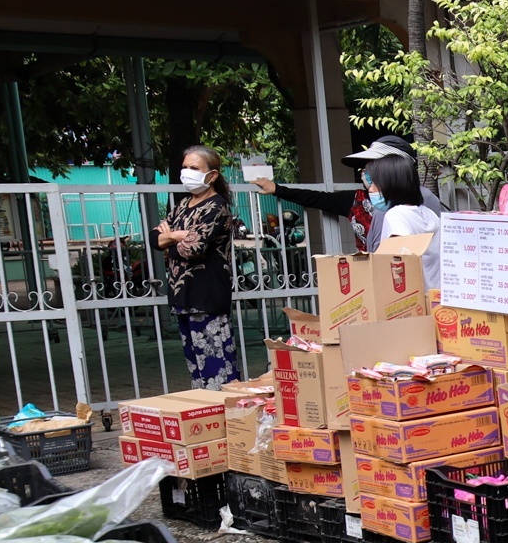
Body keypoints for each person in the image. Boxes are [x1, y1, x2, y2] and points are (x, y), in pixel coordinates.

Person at [256, 135, 443, 254]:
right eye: (367, 168)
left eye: (374, 166)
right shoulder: (358, 200)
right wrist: (278, 189)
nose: (367, 172)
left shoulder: (421, 202)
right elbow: (318, 198)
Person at [154, 145, 237, 389]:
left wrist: (170, 238)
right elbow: (153, 238)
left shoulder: (216, 206)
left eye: (194, 168)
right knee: (196, 370)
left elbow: (193, 249)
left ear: (211, 176)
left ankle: (230, 418)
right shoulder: (183, 205)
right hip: (183, 296)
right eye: (185, 167)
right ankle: (205, 416)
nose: (186, 173)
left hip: (207, 295)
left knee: (217, 367)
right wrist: (178, 236)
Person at [365, 153, 441, 290]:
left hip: (411, 301)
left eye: (375, 183)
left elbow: (401, 260)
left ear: (389, 184)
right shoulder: (429, 214)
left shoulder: (395, 216)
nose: (370, 189)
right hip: (435, 297)